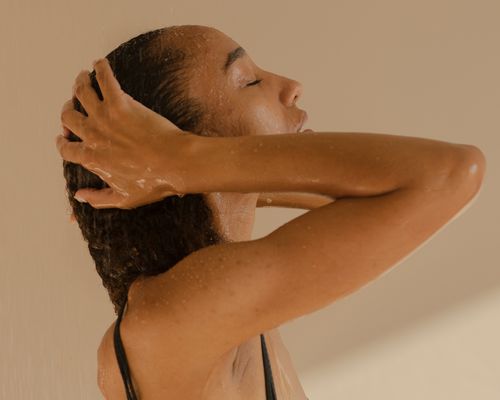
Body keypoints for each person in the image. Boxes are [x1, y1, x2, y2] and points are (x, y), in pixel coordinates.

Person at [56, 24, 485, 400]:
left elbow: (362, 206)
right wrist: (182, 160)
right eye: (247, 80)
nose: (290, 85)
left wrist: (193, 172)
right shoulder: (169, 317)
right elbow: (449, 172)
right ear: (183, 139)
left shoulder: (207, 304)